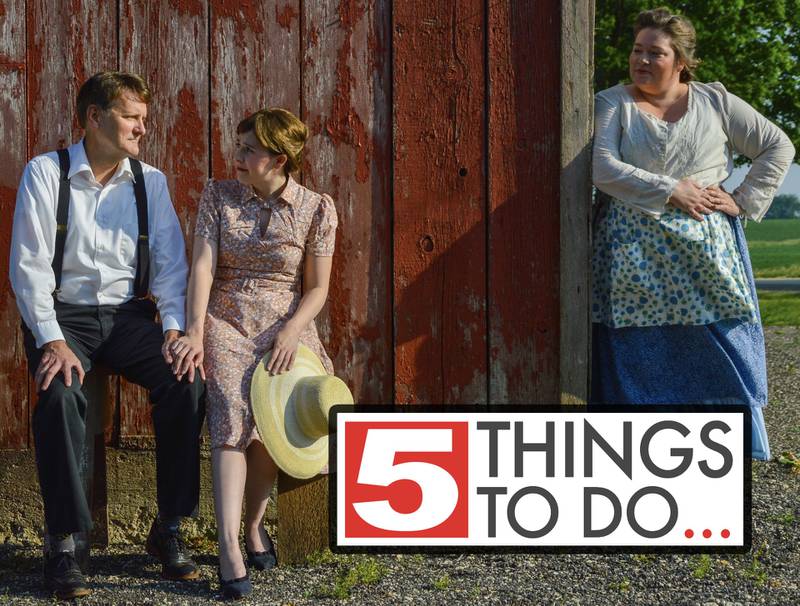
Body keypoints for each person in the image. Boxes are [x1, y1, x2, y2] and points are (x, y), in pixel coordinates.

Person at [9, 71, 205, 599]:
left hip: (127, 317)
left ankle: (168, 526)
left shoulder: (150, 181)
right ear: (94, 117)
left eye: (143, 117)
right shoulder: (45, 173)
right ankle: (65, 541)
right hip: (63, 317)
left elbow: (169, 267)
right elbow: (28, 267)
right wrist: (50, 339)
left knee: (185, 380)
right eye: (130, 116)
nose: (142, 128)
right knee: (60, 394)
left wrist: (173, 331)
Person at [591, 8, 795, 460]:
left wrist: (741, 199)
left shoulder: (715, 102)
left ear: (680, 60)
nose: (641, 60)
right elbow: (604, 169)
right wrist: (671, 188)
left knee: (720, 340)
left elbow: (777, 144)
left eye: (654, 52)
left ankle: (721, 445)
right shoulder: (613, 102)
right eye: (637, 50)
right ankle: (636, 449)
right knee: (636, 345)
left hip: (707, 254)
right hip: (632, 255)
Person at [168, 107, 338, 599]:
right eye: (238, 147)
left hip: (287, 324)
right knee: (233, 409)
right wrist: (196, 330)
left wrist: (291, 333)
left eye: (248, 150)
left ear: (278, 159)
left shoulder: (316, 208)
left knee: (276, 417)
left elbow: (318, 289)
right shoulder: (218, 196)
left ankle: (253, 524)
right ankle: (228, 547)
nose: (236, 157)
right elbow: (202, 266)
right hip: (227, 318)